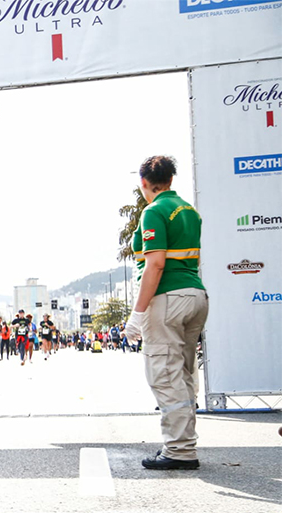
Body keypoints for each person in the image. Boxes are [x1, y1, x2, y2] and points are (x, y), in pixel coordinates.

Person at [124, 156, 208, 471]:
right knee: (183, 372)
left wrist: (138, 312)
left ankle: (180, 450)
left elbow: (155, 264)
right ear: (171, 180)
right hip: (195, 293)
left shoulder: (154, 211)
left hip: (168, 297)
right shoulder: (189, 211)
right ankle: (184, 442)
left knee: (164, 372)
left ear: (143, 183)